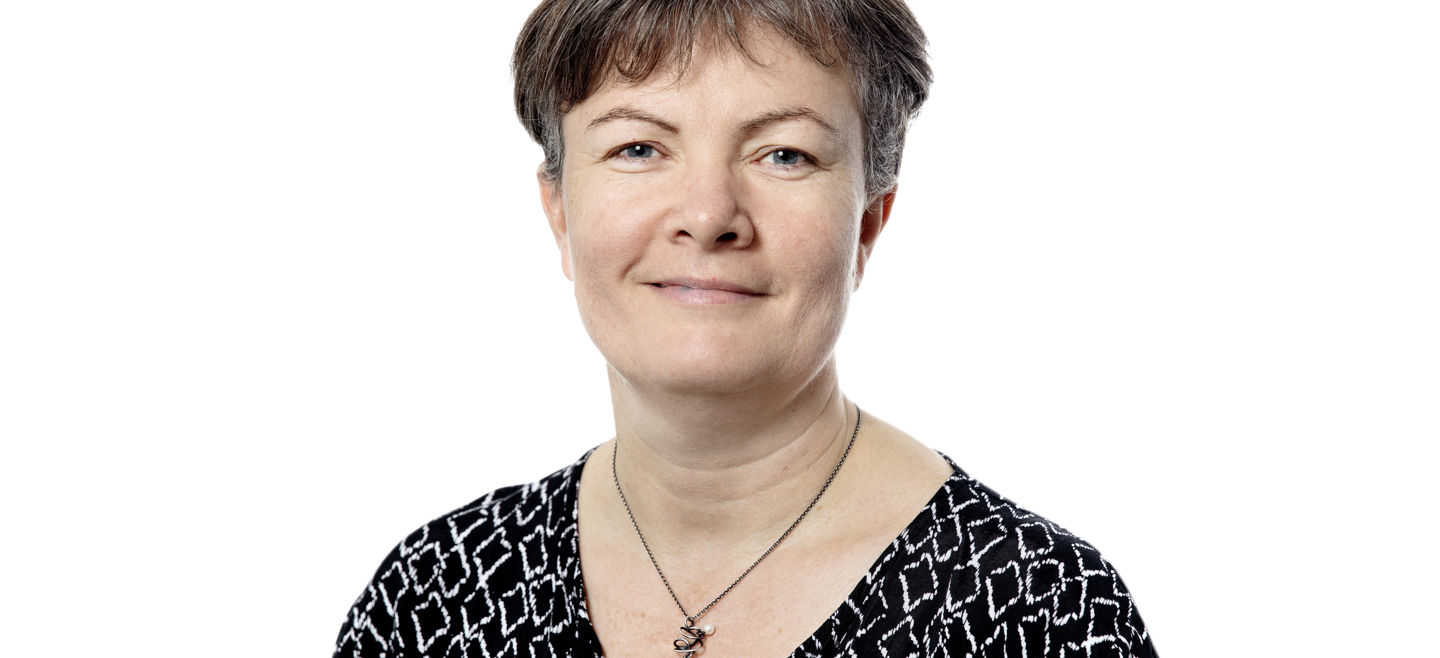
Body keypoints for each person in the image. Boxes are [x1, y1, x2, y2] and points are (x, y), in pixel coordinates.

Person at [334, 0, 1157, 655]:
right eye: (637, 148)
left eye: (783, 155)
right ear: (559, 212)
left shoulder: (1039, 610)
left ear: (869, 222)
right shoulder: (432, 596)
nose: (708, 215)